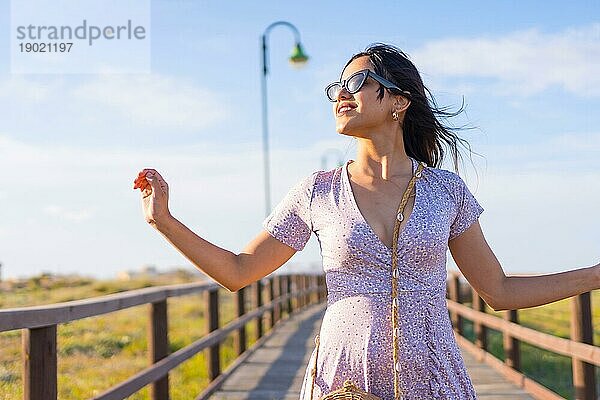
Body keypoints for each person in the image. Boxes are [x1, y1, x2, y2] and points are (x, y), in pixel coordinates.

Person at [133, 43, 599, 399]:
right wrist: (164, 221)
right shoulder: (317, 191)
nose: (341, 96)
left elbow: (499, 292)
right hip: (343, 381)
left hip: (433, 379)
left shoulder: (446, 191)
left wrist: (595, 275)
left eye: (356, 83)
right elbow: (237, 272)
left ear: (398, 100)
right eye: (336, 88)